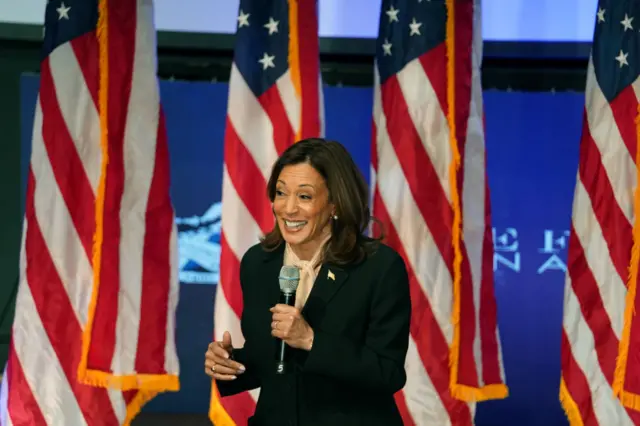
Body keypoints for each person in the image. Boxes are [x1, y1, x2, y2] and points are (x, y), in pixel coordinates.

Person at [204, 138, 411, 426]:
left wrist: (310, 340)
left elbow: (388, 373)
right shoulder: (258, 263)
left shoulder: (378, 267)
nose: (288, 209)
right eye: (280, 193)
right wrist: (229, 364)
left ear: (335, 204)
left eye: (304, 196)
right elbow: (274, 362)